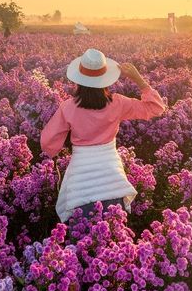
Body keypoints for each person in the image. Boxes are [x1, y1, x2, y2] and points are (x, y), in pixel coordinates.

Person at [41, 48, 166, 222]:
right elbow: (156, 108)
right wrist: (139, 80)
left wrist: (56, 151)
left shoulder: (68, 107)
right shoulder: (118, 103)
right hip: (111, 174)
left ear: (79, 79)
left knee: (81, 230)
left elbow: (48, 141)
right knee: (113, 229)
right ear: (105, 79)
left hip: (81, 174)